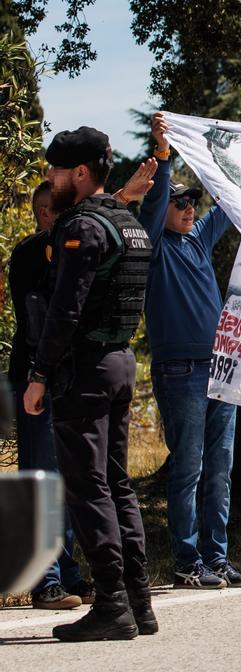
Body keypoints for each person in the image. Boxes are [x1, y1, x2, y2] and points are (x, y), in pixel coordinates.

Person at [23, 127, 156, 641]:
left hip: (85, 368)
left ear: (80, 172)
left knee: (88, 487)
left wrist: (38, 375)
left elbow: (64, 310)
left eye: (56, 170)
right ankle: (139, 602)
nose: (51, 179)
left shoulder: (82, 226)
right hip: (121, 362)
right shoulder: (128, 220)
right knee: (117, 483)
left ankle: (113, 606)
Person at [124, 112, 241, 589]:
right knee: (189, 467)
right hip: (180, 371)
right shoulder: (153, 242)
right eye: (181, 201)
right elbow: (154, 203)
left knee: (221, 467)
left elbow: (229, 202)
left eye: (190, 201)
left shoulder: (197, 240)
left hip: (220, 369)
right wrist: (162, 153)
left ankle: (216, 556)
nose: (189, 208)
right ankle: (185, 560)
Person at [7, 181, 90, 609]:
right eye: (64, 211)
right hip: (34, 379)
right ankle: (46, 582)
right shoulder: (30, 254)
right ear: (45, 213)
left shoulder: (70, 250)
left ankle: (68, 572)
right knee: (43, 481)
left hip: (66, 379)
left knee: (70, 479)